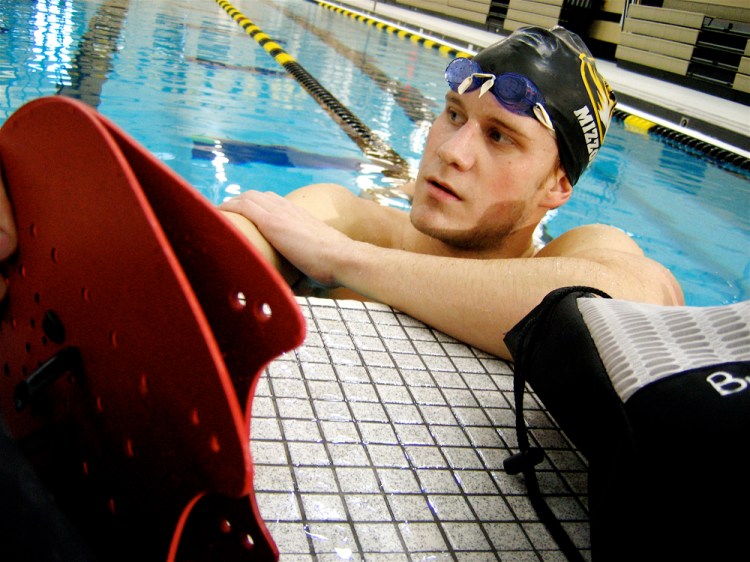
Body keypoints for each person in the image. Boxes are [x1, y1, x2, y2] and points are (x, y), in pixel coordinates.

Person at [0, 26, 683, 360]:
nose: (451, 151)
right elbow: (211, 258)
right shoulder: (355, 219)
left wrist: (344, 265)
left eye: (500, 138)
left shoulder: (574, 255)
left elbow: (630, 308)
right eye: (451, 116)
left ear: (557, 187)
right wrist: (53, 226)